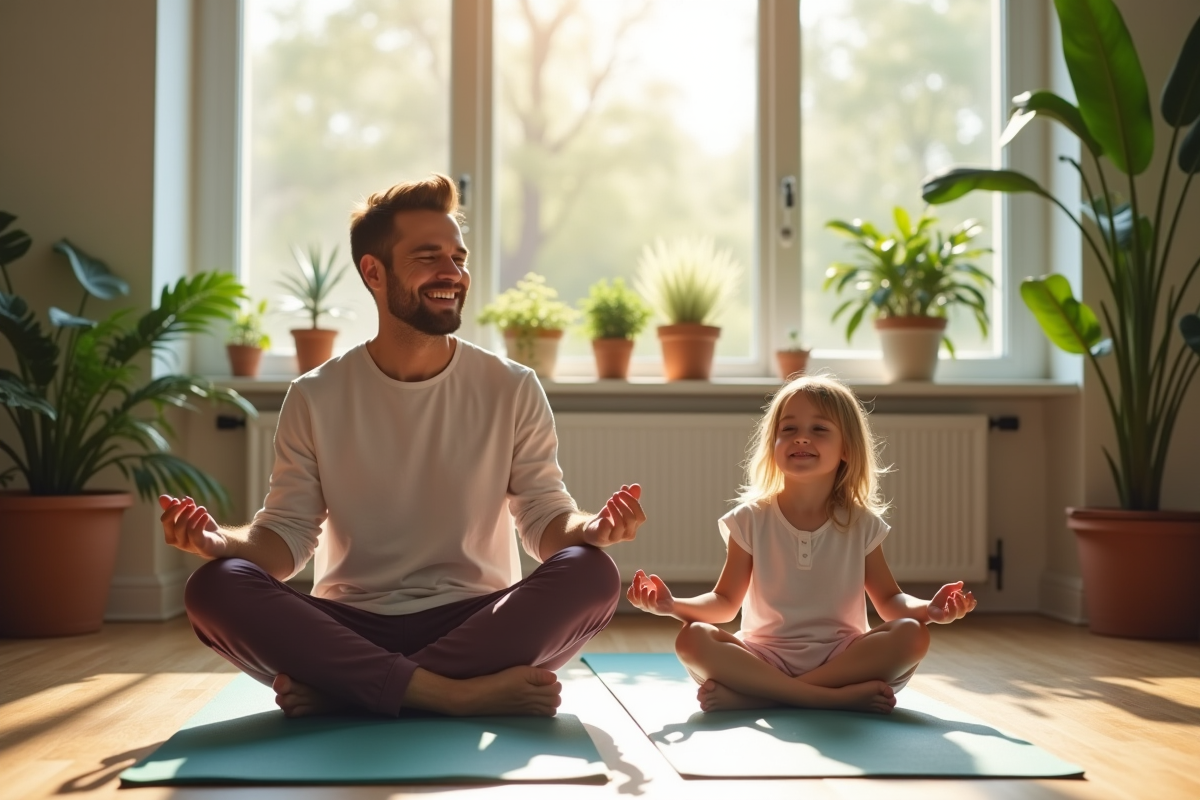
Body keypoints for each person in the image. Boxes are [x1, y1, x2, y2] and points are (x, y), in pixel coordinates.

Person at [160, 173, 645, 719]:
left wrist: (591, 529)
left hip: (476, 620)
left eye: (459, 258)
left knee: (593, 572)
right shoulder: (315, 395)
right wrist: (218, 544)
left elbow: (543, 519)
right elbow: (287, 539)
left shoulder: (512, 386)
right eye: (428, 257)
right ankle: (447, 693)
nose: (453, 273)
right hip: (351, 624)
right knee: (214, 588)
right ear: (374, 272)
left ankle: (355, 689)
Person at [626, 374, 975, 714]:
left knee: (913, 634)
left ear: (847, 450)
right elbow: (724, 603)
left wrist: (929, 610)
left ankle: (764, 697)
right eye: (788, 429)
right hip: (763, 658)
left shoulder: (862, 524)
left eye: (819, 429)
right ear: (773, 445)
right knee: (692, 638)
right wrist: (671, 605)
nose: (802, 439)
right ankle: (827, 698)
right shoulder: (749, 519)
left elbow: (889, 601)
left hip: (843, 659)